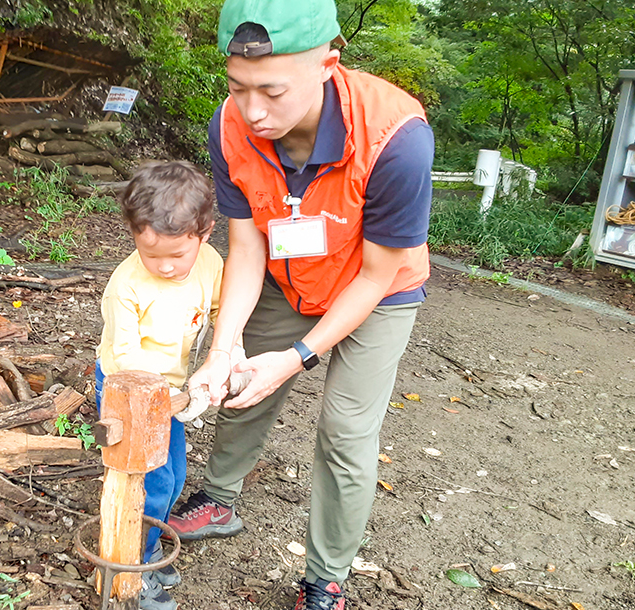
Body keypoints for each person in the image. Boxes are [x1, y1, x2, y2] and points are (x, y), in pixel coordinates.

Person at [166, 1, 435, 609]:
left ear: (327, 64)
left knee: (346, 431)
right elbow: (246, 242)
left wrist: (296, 357)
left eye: (272, 91)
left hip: (377, 287)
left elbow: (374, 276)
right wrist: (225, 342)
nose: (253, 111)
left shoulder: (397, 138)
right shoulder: (231, 126)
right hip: (289, 276)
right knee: (236, 379)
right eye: (237, 88)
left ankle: (326, 576)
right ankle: (218, 499)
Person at [96, 160, 226, 610]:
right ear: (134, 235)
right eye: (152, 255)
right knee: (149, 480)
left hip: (171, 392)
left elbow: (219, 313)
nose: (166, 267)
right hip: (129, 390)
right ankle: (134, 565)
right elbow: (126, 360)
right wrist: (168, 399)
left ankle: (149, 545)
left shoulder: (210, 263)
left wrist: (224, 355)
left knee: (174, 477)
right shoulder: (126, 286)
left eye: (177, 256)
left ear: (204, 234)